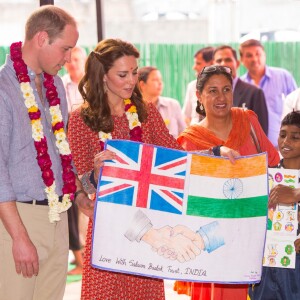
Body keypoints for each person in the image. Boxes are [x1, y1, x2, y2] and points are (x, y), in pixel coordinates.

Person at [67, 38, 202, 299]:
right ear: (103, 76)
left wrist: (216, 154)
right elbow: (82, 186)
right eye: (122, 74)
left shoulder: (145, 113)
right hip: (107, 227)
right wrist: (94, 174)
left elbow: (177, 158)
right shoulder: (81, 120)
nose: (131, 80)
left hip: (148, 229)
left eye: (134, 72)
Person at [0, 5, 90, 300]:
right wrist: (19, 236)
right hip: (18, 219)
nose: (69, 59)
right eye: (65, 49)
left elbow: (61, 151)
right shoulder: (4, 88)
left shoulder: (57, 87)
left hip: (59, 215)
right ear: (41, 38)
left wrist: (77, 193)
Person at [176, 65, 280, 300]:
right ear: (199, 96)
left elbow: (273, 166)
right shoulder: (190, 141)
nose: (220, 97)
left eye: (226, 89)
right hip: (215, 244)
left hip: (257, 235)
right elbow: (183, 189)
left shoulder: (249, 121)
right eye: (212, 91)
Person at [249, 110, 300, 299]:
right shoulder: (265, 176)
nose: (286, 142)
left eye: (295, 137)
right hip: (266, 266)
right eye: (282, 135)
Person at [239, 39, 297, 147]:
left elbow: (297, 108)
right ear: (241, 60)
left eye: (258, 54)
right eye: (249, 55)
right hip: (252, 150)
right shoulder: (240, 87)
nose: (254, 59)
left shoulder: (283, 76)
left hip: (283, 147)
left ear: (264, 55)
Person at [62, 46, 87, 275]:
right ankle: (79, 257)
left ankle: (85, 258)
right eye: (69, 60)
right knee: (72, 205)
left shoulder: (92, 87)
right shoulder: (60, 85)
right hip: (67, 153)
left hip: (89, 154)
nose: (73, 63)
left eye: (78, 59)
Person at [213, 45, 268, 135]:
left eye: (228, 60)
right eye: (219, 61)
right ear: (213, 64)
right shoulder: (208, 94)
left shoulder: (254, 93)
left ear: (237, 63)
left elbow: (261, 134)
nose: (223, 64)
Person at [138, 66, 186, 138]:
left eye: (161, 80)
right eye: (155, 80)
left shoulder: (173, 105)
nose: (160, 83)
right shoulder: (132, 108)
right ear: (142, 85)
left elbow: (184, 133)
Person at [182, 47, 214, 125]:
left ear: (212, 64)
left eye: (198, 63)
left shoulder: (225, 87)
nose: (194, 67)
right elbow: (186, 116)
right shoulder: (192, 86)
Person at [62, 46, 87, 112]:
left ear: (85, 61)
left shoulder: (94, 82)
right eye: (69, 61)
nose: (72, 64)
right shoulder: (60, 84)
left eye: (76, 60)